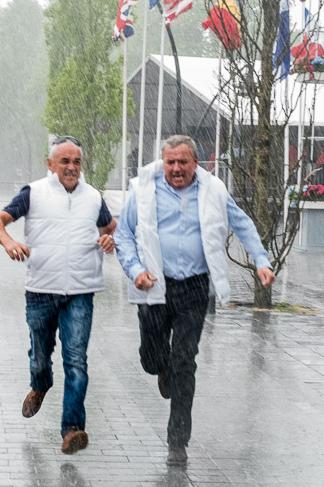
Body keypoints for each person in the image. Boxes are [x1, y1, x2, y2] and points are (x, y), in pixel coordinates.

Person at [114, 134, 275, 467]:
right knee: (153, 359)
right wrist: (135, 270)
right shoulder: (144, 190)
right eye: (170, 162)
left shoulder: (213, 190)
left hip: (194, 289)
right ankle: (162, 369)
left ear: (195, 163)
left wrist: (261, 259)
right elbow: (124, 235)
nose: (176, 169)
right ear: (163, 161)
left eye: (182, 162)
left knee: (185, 360)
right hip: (154, 285)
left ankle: (177, 441)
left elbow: (241, 222)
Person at [0, 137, 116, 455]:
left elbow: (110, 227)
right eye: (64, 161)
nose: (71, 168)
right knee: (41, 354)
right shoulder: (34, 193)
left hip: (81, 292)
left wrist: (110, 240)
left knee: (76, 362)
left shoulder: (93, 197)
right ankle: (41, 383)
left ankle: (72, 429)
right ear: (50, 164)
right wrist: (9, 242)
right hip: (41, 290)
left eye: (76, 162)